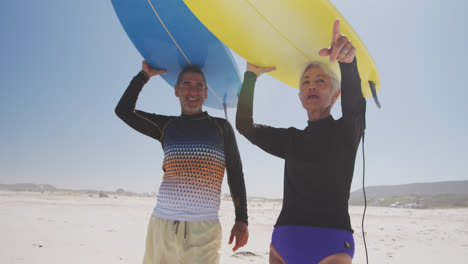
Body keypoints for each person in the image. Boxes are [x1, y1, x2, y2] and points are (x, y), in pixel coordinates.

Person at [236, 20, 365, 264]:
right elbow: (245, 126)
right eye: (306, 82)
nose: (311, 86)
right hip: (285, 241)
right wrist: (251, 77)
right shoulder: (291, 140)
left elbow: (355, 105)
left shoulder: (347, 132)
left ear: (336, 94)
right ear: (300, 97)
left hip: (332, 245)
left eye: (320, 80)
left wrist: (348, 64)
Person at [115, 61, 249, 264]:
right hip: (163, 225)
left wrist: (242, 219)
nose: (193, 90)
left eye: (199, 86)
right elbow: (123, 111)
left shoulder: (222, 128)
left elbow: (235, 173)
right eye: (187, 84)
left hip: (204, 228)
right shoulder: (166, 126)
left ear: (206, 93)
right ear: (176, 90)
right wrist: (143, 76)